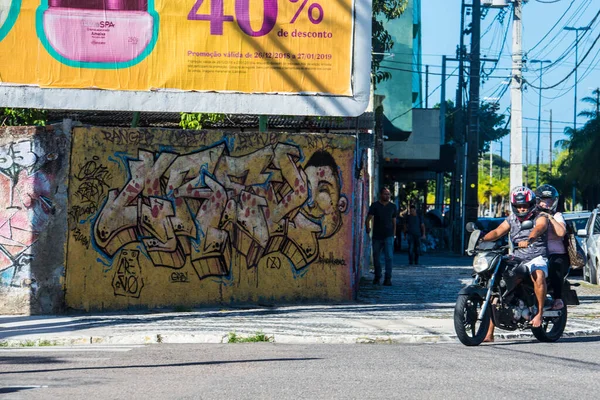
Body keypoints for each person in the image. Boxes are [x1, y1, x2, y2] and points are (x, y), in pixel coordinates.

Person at [480, 186, 549, 342]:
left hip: (536, 257)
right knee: (496, 285)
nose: (522, 208)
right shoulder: (511, 219)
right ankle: (489, 333)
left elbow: (539, 228)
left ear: (532, 203)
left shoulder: (540, 216)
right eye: (518, 206)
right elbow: (498, 231)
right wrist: (482, 239)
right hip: (516, 257)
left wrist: (530, 239)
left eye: (524, 205)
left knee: (538, 274)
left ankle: (539, 314)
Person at [535, 184, 567, 310]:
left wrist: (550, 217)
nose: (546, 204)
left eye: (550, 201)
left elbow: (560, 233)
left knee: (555, 266)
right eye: (543, 200)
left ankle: (557, 299)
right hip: (535, 252)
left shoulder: (557, 215)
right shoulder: (533, 215)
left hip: (555, 253)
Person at [366, 187, 397, 286]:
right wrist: (368, 228)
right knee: (376, 257)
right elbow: (369, 218)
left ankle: (388, 278)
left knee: (389, 257)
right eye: (385, 194)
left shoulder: (392, 206)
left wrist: (394, 234)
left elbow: (394, 221)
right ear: (381, 195)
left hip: (388, 235)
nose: (387, 196)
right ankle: (377, 276)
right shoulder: (375, 205)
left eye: (388, 194)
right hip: (377, 236)